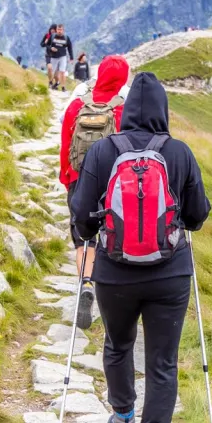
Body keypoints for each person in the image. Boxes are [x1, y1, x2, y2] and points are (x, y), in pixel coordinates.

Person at [69, 72, 211, 423]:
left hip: (115, 272)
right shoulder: (180, 152)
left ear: (127, 111)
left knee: (117, 344)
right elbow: (198, 216)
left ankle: (123, 419)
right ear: (164, 110)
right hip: (170, 275)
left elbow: (81, 214)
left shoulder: (103, 152)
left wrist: (95, 234)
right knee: (162, 361)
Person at [60, 54, 130, 321]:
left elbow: (66, 146)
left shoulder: (77, 105)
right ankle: (112, 296)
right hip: (114, 185)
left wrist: (68, 179)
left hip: (80, 180)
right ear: (123, 78)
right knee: (111, 237)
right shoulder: (124, 109)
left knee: (83, 240)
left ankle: (86, 283)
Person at [42, 23, 74, 90]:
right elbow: (47, 45)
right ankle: (50, 82)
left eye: (61, 30)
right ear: (56, 30)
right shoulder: (52, 36)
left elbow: (70, 47)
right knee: (52, 72)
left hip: (63, 56)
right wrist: (51, 48)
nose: (59, 31)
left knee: (62, 71)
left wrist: (71, 57)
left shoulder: (66, 38)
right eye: (58, 29)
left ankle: (63, 87)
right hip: (53, 56)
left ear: (63, 30)